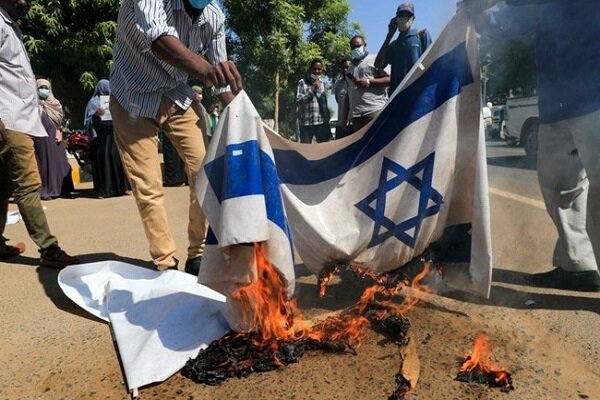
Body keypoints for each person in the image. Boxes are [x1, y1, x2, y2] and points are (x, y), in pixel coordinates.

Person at [466, 0, 600, 291]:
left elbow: (519, 14)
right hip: (558, 102)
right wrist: (482, 15)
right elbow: (521, 16)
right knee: (560, 186)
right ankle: (577, 266)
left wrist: (484, 12)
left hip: (594, 94)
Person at [109, 0, 242, 274]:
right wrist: (206, 70)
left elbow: (220, 80)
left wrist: (244, 111)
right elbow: (159, 40)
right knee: (148, 186)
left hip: (176, 94)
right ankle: (165, 263)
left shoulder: (214, 17)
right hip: (131, 96)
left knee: (205, 172)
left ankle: (199, 255)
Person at [0, 0, 78, 268]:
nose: (26, 2)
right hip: (9, 120)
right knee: (28, 183)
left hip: (20, 118)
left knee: (4, 186)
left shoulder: (12, 27)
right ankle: (49, 247)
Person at [83, 79, 131, 198]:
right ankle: (103, 191)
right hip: (101, 140)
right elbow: (87, 122)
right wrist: (96, 115)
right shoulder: (94, 102)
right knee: (103, 163)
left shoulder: (115, 101)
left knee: (117, 161)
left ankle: (121, 188)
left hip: (114, 137)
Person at [375, 2, 432, 95]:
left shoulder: (421, 35)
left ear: (413, 18)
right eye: (401, 15)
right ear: (395, 19)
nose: (403, 18)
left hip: (417, 91)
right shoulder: (394, 45)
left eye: (407, 15)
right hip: (397, 95)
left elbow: (430, 61)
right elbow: (378, 64)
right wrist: (389, 35)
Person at [35, 79, 75, 200]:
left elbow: (60, 120)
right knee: (46, 163)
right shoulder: (33, 104)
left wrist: (60, 130)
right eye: (41, 87)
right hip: (41, 138)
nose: (44, 90)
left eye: (46, 87)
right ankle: (48, 190)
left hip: (56, 136)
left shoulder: (55, 103)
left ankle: (63, 189)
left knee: (60, 162)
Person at [346, 36, 391, 134]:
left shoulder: (376, 59)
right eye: (353, 47)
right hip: (356, 116)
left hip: (373, 111)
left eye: (358, 46)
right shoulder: (350, 68)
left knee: (378, 144)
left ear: (365, 45)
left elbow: (390, 79)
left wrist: (368, 82)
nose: (356, 49)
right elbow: (348, 94)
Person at [296, 58, 331, 144]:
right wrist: (312, 90)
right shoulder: (302, 82)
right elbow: (299, 101)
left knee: (324, 151)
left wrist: (327, 120)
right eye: (314, 68)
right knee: (306, 152)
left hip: (321, 123)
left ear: (321, 70)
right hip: (306, 123)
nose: (316, 71)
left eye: (319, 69)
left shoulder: (323, 83)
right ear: (310, 69)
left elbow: (324, 104)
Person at [333, 58, 352, 139]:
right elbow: (338, 101)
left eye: (347, 67)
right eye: (343, 68)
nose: (345, 70)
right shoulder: (338, 84)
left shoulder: (358, 82)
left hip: (355, 124)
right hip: (341, 125)